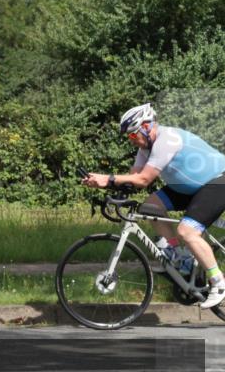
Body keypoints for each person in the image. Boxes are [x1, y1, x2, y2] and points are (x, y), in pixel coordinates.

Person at [82, 103, 225, 309]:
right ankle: (179, 257)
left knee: (188, 231)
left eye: (133, 136)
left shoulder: (167, 140)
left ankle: (218, 283)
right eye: (129, 138)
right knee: (151, 207)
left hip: (218, 181)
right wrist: (105, 187)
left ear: (147, 127)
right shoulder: (145, 148)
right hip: (190, 187)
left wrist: (108, 178)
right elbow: (132, 179)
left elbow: (144, 179)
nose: (132, 142)